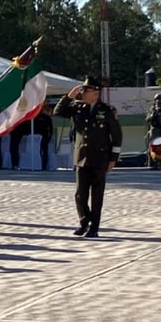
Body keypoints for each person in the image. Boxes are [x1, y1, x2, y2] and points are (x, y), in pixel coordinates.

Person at [54, 77, 122, 238]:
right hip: (82, 157)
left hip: (100, 157)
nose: (83, 93)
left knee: (97, 194)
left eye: (86, 90)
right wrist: (68, 97)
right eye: (83, 90)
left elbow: (117, 137)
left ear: (96, 93)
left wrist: (113, 159)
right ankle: (84, 221)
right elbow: (58, 112)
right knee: (80, 194)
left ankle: (94, 227)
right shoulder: (78, 108)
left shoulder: (106, 111)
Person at [146, 93, 161, 170]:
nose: (158, 101)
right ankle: (153, 164)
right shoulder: (152, 109)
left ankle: (160, 164)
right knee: (153, 148)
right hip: (154, 130)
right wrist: (152, 115)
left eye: (160, 99)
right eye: (157, 99)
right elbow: (147, 120)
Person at [35, 104, 55, 171]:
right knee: (38, 151)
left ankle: (44, 166)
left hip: (45, 136)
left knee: (44, 151)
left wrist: (50, 137)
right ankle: (38, 165)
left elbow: (51, 128)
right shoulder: (35, 117)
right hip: (36, 137)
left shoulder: (47, 118)